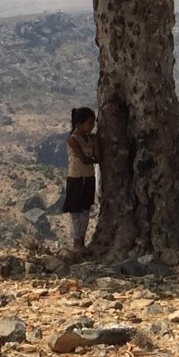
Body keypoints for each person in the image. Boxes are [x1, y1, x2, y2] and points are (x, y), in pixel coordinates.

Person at [61, 106, 98, 255]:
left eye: (93, 123)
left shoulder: (90, 139)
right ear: (79, 124)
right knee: (75, 211)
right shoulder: (73, 140)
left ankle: (82, 241)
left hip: (88, 178)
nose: (92, 126)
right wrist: (95, 158)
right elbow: (83, 159)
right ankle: (77, 243)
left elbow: (96, 155)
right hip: (76, 178)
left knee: (85, 210)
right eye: (89, 123)